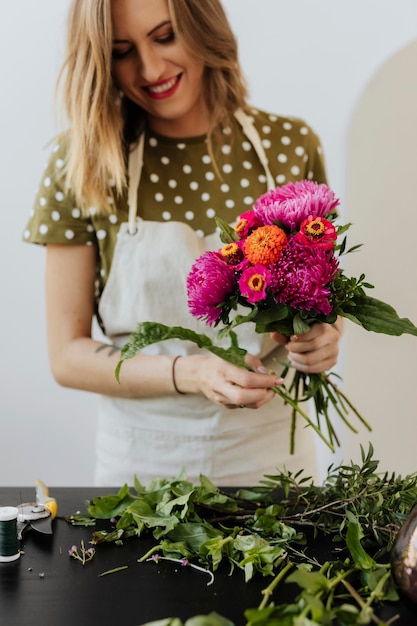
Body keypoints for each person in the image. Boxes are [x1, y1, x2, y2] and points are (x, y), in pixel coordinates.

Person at [23, 0, 342, 487]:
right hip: (141, 469)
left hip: (272, 462)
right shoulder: (81, 165)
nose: (150, 70)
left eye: (166, 36)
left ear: (203, 26)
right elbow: (67, 355)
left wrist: (325, 337)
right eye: (123, 51)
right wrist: (192, 373)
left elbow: (326, 297)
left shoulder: (289, 146)